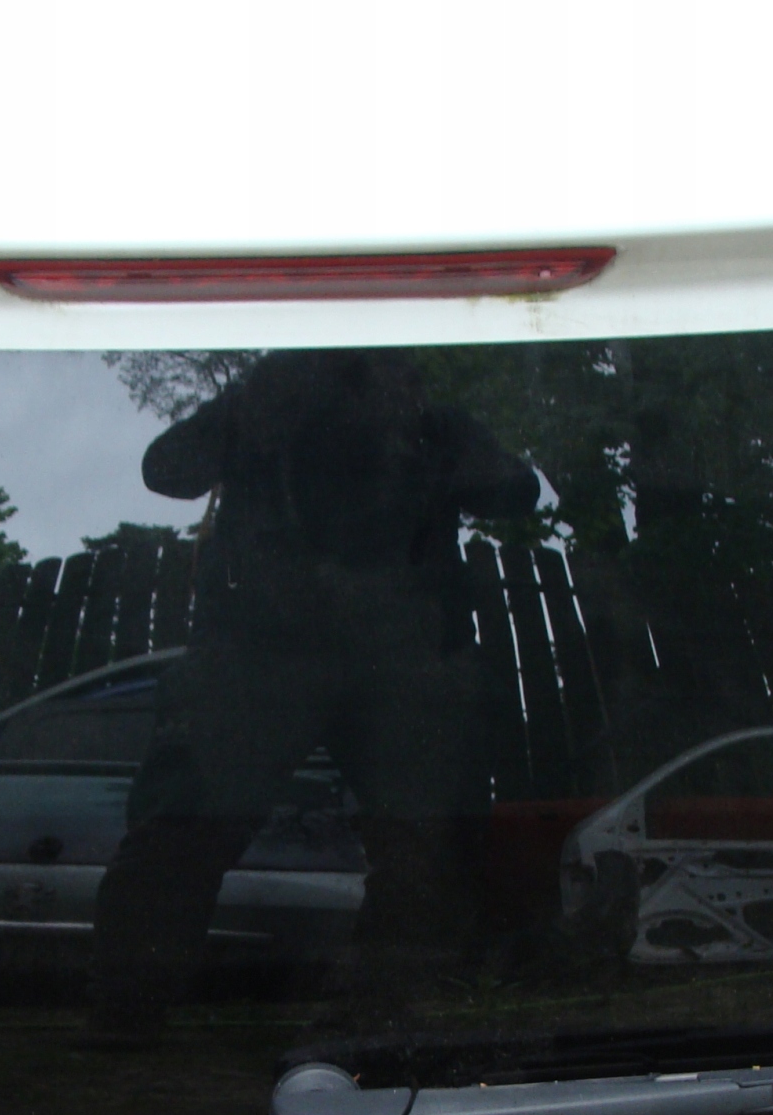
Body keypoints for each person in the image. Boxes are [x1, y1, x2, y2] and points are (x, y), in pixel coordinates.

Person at [89, 348, 541, 1038]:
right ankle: (128, 1010)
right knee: (185, 831)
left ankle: (381, 1010)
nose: (357, 384)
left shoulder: (431, 428)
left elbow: (513, 490)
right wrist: (254, 410)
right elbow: (167, 468)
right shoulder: (273, 410)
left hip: (382, 661)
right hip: (274, 656)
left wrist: (431, 446)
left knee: (426, 840)